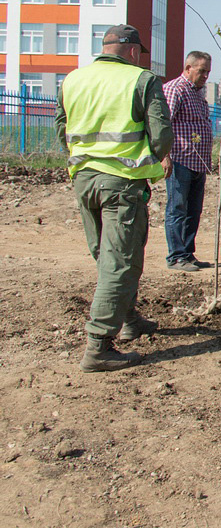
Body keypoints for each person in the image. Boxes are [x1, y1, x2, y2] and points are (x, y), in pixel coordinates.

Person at [56, 24, 173, 372]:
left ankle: (128, 320)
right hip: (121, 183)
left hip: (84, 179)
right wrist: (152, 160)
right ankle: (98, 346)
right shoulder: (142, 80)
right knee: (119, 261)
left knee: (105, 253)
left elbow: (61, 127)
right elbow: (161, 133)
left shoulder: (73, 79)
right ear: (134, 51)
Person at [162, 51, 213, 271]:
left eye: (207, 72)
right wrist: (164, 156)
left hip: (198, 161)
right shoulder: (175, 89)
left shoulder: (199, 92)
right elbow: (163, 124)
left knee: (193, 209)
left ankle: (188, 253)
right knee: (177, 209)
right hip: (180, 160)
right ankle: (176, 257)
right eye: (201, 71)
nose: (205, 76)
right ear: (188, 68)